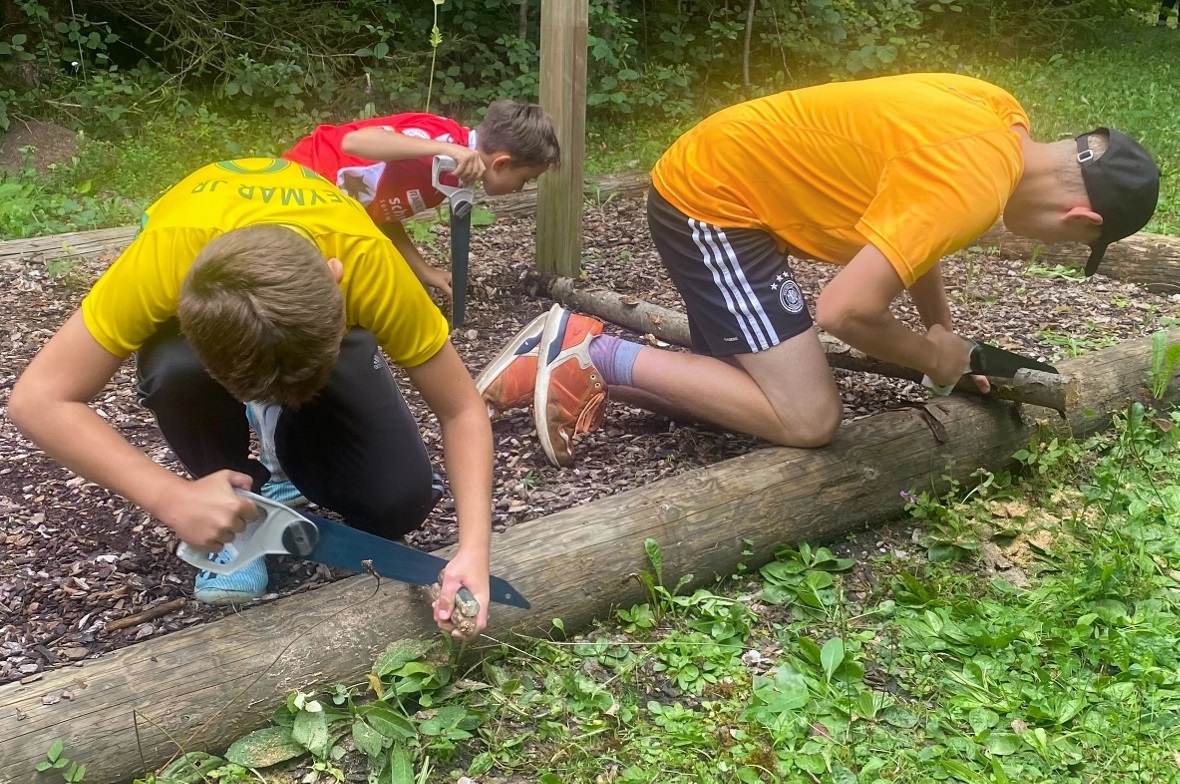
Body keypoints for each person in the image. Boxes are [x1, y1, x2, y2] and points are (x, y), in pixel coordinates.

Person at [477, 72, 1161, 467]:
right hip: (711, 203)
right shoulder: (975, 182)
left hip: (732, 182)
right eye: (1069, 247)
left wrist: (941, 331)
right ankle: (585, 350)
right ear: (1083, 222)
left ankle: (553, 371)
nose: (1054, 247)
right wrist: (934, 356)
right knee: (807, 417)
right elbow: (844, 311)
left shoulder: (998, 116)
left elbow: (913, 230)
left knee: (748, 390)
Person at [9, 157, 494, 640]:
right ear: (180, 307)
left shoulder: (368, 259)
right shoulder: (162, 256)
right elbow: (37, 400)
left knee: (396, 503)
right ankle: (232, 507)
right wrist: (169, 497)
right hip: (201, 296)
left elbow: (462, 408)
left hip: (315, 308)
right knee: (174, 369)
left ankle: (283, 468)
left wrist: (474, 548)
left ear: (336, 277)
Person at [282, 100, 560, 297]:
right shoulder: (442, 140)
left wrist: (425, 271)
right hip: (297, 191)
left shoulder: (452, 174)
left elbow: (381, 214)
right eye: (525, 179)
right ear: (500, 163)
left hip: (330, 214)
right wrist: (445, 148)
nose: (521, 189)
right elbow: (354, 143)